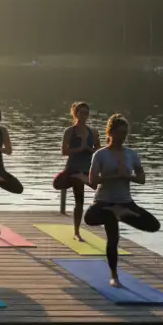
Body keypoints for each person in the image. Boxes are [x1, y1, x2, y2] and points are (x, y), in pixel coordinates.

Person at [85, 114, 160, 288]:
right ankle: (114, 277)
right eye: (119, 133)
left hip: (125, 202)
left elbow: (141, 178)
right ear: (110, 132)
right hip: (104, 202)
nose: (122, 137)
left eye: (125, 133)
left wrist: (128, 176)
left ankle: (119, 213)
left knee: (153, 225)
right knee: (98, 226)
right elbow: (92, 180)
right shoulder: (100, 155)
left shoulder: (132, 155)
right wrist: (113, 176)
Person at [53, 102, 101, 241]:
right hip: (73, 169)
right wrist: (80, 148)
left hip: (87, 169)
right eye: (81, 112)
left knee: (99, 188)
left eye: (86, 113)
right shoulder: (69, 131)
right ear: (75, 113)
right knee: (79, 200)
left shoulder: (93, 131)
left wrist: (90, 150)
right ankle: (77, 232)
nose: (84, 115)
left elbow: (98, 150)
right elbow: (64, 151)